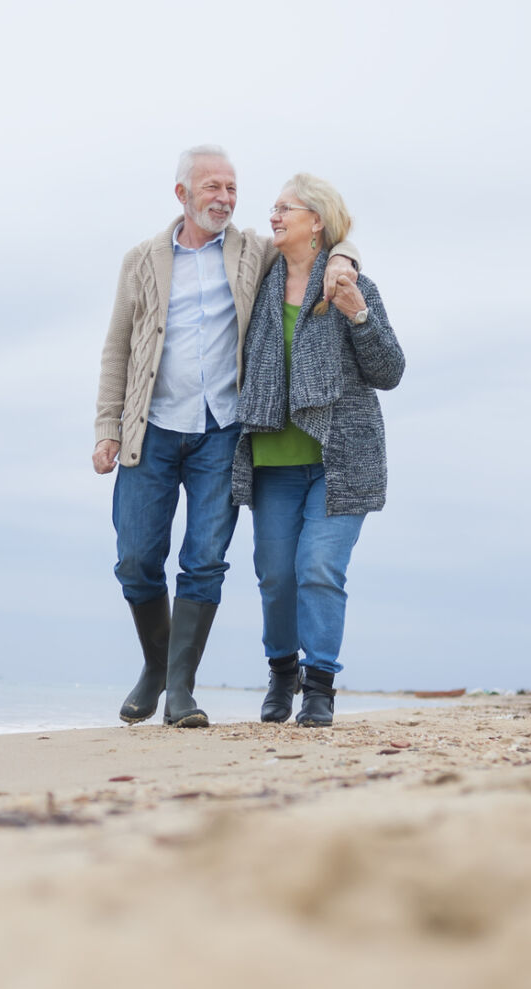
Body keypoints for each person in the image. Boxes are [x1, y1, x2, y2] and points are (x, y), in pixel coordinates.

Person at [94, 146, 359, 728]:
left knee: (205, 560)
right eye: (212, 186)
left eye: (232, 188)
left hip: (222, 431)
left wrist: (345, 258)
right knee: (137, 558)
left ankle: (181, 691)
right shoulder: (141, 259)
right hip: (152, 428)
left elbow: (323, 242)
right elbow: (117, 346)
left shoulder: (251, 252)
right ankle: (156, 666)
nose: (225, 198)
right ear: (182, 194)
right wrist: (107, 427)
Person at [230, 174, 404, 727]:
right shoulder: (259, 282)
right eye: (273, 207)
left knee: (319, 569)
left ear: (317, 221)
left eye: (286, 208)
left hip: (341, 460)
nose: (274, 215)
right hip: (272, 461)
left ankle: (320, 687)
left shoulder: (352, 284)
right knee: (276, 576)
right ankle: (282, 675)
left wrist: (357, 312)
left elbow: (390, 371)